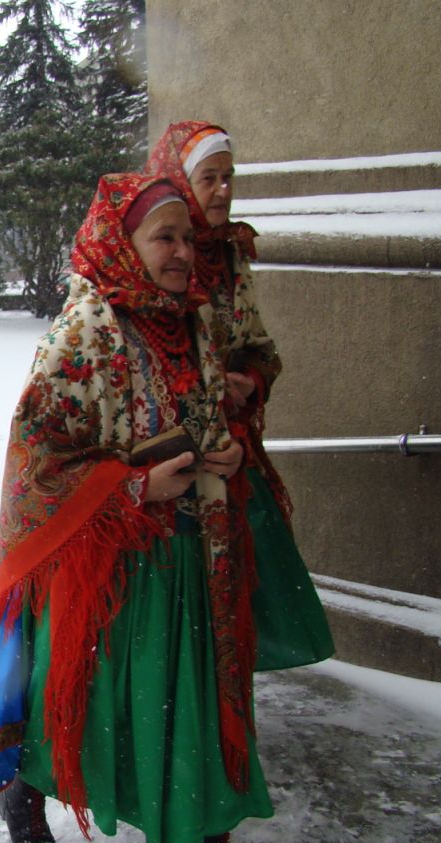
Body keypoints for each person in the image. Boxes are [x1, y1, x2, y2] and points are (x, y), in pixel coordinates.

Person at [0, 174, 272, 843]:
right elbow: (35, 463)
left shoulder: (195, 322)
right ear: (124, 246)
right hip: (110, 569)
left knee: (182, 706)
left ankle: (198, 823)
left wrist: (230, 455)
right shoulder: (83, 333)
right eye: (165, 237)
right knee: (82, 700)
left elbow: (219, 415)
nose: (184, 251)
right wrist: (131, 488)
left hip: (190, 560)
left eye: (186, 237)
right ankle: (26, 788)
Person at [145, 121, 333, 672]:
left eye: (229, 177)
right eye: (210, 178)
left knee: (243, 587)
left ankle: (224, 692)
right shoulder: (149, 259)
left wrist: (249, 380)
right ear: (179, 180)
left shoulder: (231, 256)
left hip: (228, 445)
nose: (224, 190)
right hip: (172, 454)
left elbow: (258, 345)